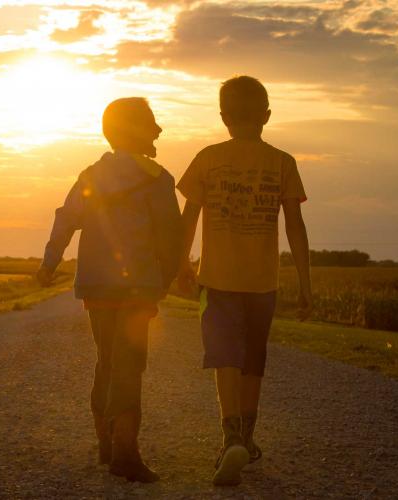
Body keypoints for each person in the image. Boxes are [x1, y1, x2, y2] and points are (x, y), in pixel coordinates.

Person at [36, 97, 182, 483]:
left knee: (107, 360)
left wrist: (50, 261)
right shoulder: (157, 179)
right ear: (139, 131)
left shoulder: (91, 175)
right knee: (129, 364)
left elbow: (66, 218)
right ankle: (125, 450)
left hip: (97, 285)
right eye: (152, 124)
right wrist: (166, 279)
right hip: (138, 288)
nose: (159, 130)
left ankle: (106, 440)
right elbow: (171, 235)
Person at [176, 76, 312, 486]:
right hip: (263, 283)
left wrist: (182, 263)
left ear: (224, 117)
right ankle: (247, 439)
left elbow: (188, 219)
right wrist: (306, 284)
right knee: (253, 359)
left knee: (224, 358)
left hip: (217, 281)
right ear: (267, 116)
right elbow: (296, 227)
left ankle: (231, 435)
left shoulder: (206, 158)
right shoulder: (283, 162)